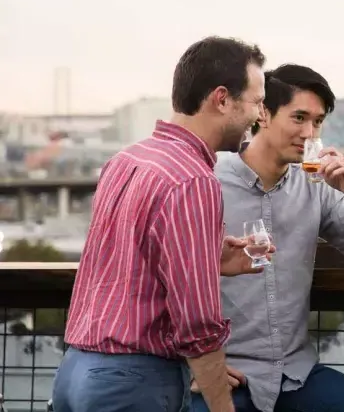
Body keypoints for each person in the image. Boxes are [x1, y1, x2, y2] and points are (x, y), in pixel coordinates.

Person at [52, 36, 271, 412]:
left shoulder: (128, 159)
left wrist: (211, 258)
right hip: (133, 383)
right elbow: (198, 323)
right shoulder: (194, 180)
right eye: (256, 101)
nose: (261, 115)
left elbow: (128, 260)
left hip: (75, 371)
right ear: (221, 99)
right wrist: (222, 405)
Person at [189, 63, 344, 412]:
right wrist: (192, 367)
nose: (310, 133)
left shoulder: (317, 186)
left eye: (317, 122)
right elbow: (159, 279)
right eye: (299, 118)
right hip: (227, 375)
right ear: (263, 114)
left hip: (296, 374)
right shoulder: (207, 182)